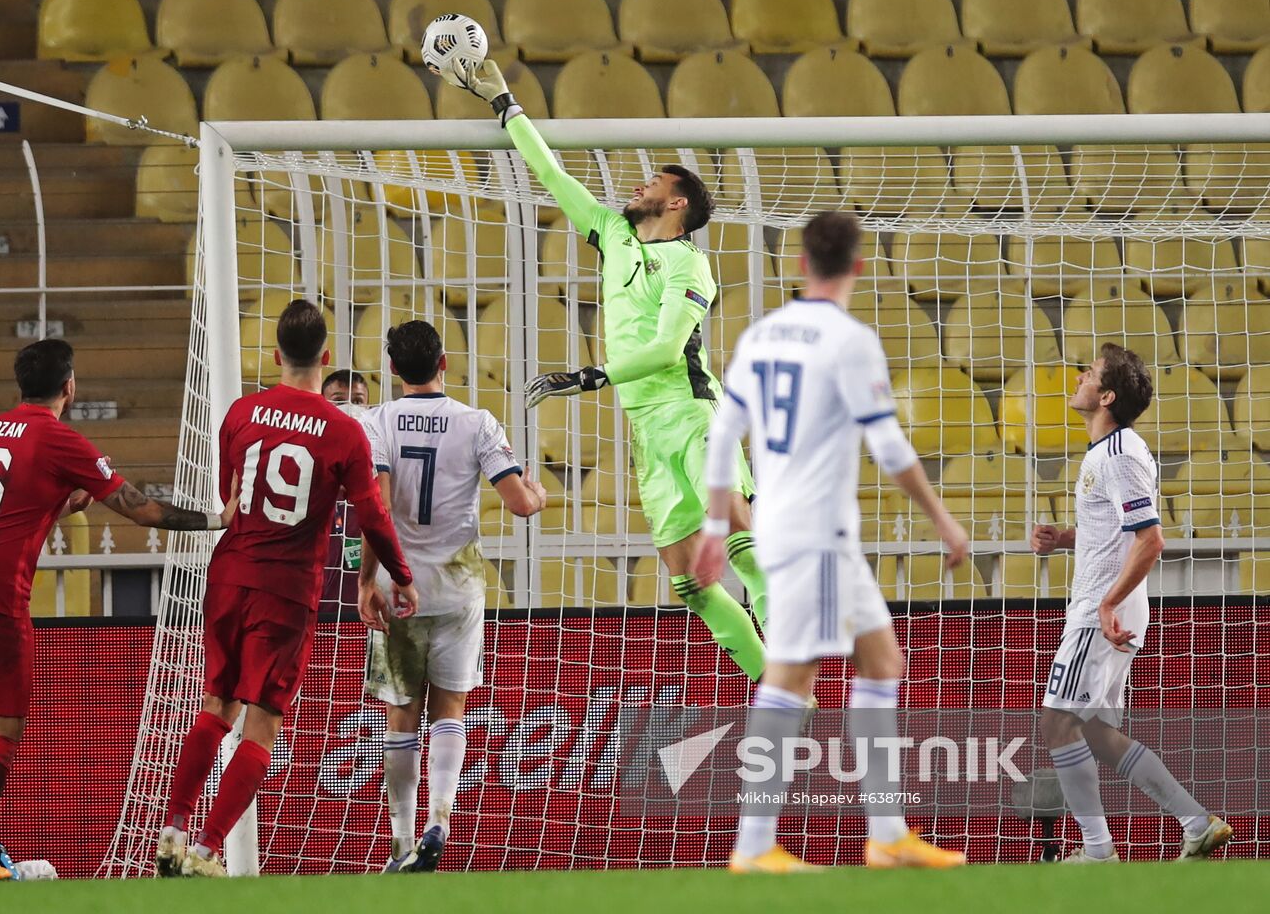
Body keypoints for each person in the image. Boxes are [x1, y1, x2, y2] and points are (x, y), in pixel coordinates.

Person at [455, 59, 766, 679]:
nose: (637, 184)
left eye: (652, 179)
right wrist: (503, 102)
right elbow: (549, 171)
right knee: (689, 585)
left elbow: (669, 348)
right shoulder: (611, 233)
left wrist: (591, 375)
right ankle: (773, 687)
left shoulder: (687, 265)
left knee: (738, 528)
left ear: (676, 202)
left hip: (693, 412)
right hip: (647, 431)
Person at [692, 212, 970, 872]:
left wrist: (711, 525)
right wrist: (941, 518)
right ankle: (754, 846)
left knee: (882, 663)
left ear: (799, 264)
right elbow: (890, 445)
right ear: (859, 267)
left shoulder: (759, 336)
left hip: (815, 532)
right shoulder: (849, 340)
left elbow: (723, 434)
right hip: (811, 530)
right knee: (792, 676)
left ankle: (887, 835)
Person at [0, 338, 232, 882]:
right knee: (3, 725)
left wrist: (62, 504)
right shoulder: (63, 439)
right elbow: (143, 509)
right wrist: (216, 518)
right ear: (70, 386)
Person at [157, 301, 416, 877]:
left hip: (227, 576)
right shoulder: (345, 431)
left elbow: (229, 497)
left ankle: (172, 830)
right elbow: (373, 516)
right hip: (286, 589)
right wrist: (398, 575)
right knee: (263, 722)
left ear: (276, 355)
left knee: (214, 704)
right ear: (326, 359)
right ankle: (205, 851)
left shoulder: (241, 413)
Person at [1030, 344, 1232, 863]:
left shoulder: (1118, 454)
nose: (1079, 377)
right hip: (1110, 605)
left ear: (1107, 396)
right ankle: (1196, 822)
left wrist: (1106, 605)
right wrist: (1066, 538)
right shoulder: (1108, 452)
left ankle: (1098, 851)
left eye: (1090, 373)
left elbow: (1150, 540)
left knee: (1057, 722)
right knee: (1094, 731)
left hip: (1103, 609)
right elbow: (1118, 532)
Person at [360, 321, 546, 872]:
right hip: (460, 585)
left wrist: (369, 578)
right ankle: (440, 820)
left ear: (392, 370)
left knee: (400, 717)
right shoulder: (477, 422)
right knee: (449, 709)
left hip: (401, 584)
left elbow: (378, 507)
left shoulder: (378, 422)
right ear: (444, 363)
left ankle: (399, 843)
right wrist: (535, 490)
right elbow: (519, 504)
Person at [320, 369, 371, 612]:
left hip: (366, 614)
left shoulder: (379, 480)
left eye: (358, 401)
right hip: (314, 612)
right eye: (339, 400)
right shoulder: (306, 473)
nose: (349, 407)